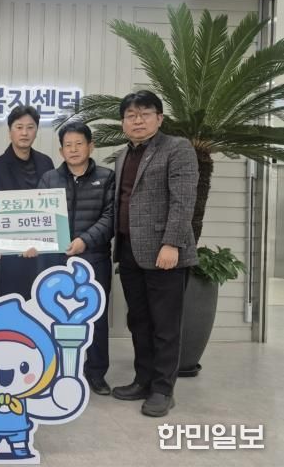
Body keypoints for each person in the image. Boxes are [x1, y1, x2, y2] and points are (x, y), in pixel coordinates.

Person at [111, 90, 198, 417]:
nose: (137, 120)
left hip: (165, 253)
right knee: (139, 321)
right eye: (130, 115)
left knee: (165, 324)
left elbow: (183, 200)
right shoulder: (123, 155)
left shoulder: (177, 148)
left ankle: (163, 389)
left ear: (159, 118)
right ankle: (143, 380)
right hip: (129, 251)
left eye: (145, 114)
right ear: (123, 122)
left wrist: (171, 243)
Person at [38, 121, 115, 396]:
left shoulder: (106, 177)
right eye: (68, 145)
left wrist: (85, 241)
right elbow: (38, 218)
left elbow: (110, 217)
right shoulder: (49, 179)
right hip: (55, 261)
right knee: (52, 316)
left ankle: (96, 373)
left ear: (90, 146)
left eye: (79, 144)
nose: (73, 149)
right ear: (61, 151)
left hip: (94, 259)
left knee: (96, 318)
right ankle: (54, 370)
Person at [0, 105, 54, 300]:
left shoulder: (46, 163)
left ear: (36, 131)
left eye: (30, 127)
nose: (25, 133)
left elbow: (52, 206)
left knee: (43, 303)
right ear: (10, 131)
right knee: (12, 305)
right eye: (19, 127)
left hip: (42, 251)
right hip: (11, 255)